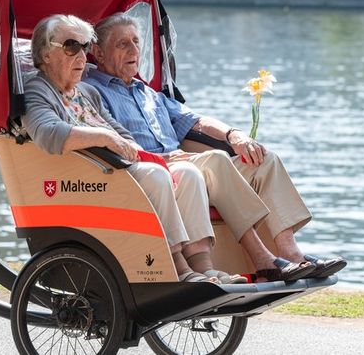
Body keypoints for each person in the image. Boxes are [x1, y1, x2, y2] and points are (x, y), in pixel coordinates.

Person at [86, 14, 346, 280]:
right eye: (122, 44)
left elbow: (196, 120)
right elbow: (113, 143)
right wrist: (165, 157)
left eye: (136, 42)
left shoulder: (150, 94)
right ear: (98, 52)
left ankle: (290, 252)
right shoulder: (93, 91)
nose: (133, 51)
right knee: (216, 159)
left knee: (264, 160)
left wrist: (235, 135)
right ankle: (262, 258)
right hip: (153, 168)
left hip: (190, 164)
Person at [21, 14, 244, 284]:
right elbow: (49, 134)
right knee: (157, 176)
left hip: (116, 169)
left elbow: (122, 135)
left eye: (84, 46)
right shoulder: (38, 90)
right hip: (86, 178)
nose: (81, 55)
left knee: (186, 173)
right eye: (71, 47)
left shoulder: (86, 92)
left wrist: (153, 154)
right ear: (45, 54)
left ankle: (205, 268)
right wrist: (105, 138)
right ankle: (180, 269)